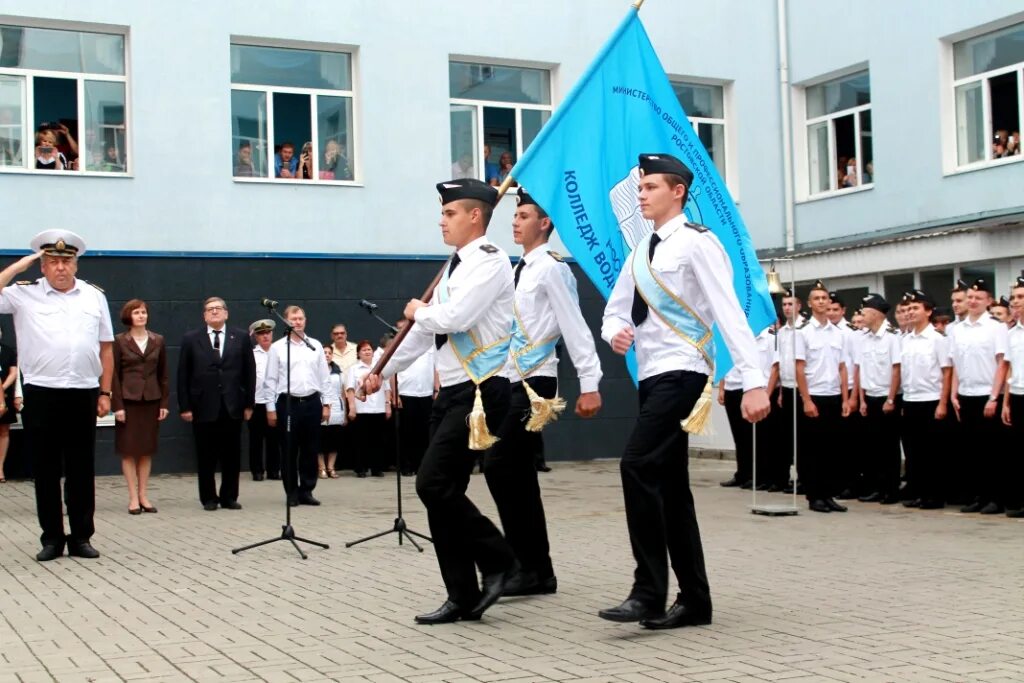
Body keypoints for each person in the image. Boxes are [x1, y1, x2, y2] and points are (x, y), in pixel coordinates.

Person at [599, 153, 770, 629]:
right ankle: (695, 601)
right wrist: (614, 333)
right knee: (671, 488)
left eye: (651, 186)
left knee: (635, 465)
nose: (642, 193)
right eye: (641, 186)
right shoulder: (640, 252)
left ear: (677, 191)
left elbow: (729, 310)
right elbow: (615, 309)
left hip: (685, 371)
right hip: (652, 375)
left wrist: (753, 380)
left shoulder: (698, 243)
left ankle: (648, 592)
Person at [363, 177, 517, 624]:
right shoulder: (454, 266)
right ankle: (462, 595)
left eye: (449, 213)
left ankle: (500, 558)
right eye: (442, 213)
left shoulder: (491, 262)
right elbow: (425, 335)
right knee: (442, 494)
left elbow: (454, 317)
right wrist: (380, 372)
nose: (441, 220)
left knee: (431, 483)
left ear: (475, 216)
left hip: (482, 391)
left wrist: (416, 310)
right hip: (451, 391)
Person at [487, 186, 604, 599]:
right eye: (514, 216)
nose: (515, 223)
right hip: (509, 380)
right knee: (514, 473)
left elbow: (574, 326)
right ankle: (534, 570)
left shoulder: (552, 269)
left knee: (501, 465)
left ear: (545, 222)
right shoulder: (514, 268)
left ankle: (527, 565)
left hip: (537, 384)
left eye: (523, 216)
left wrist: (590, 383)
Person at [0, 230, 113, 561]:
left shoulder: (94, 297)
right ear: (42, 267)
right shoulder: (24, 294)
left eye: (66, 261)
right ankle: (51, 538)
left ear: (76, 265)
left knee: (81, 468)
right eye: (52, 262)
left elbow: (106, 348)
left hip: (83, 390)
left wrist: (105, 391)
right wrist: (17, 268)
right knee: (46, 469)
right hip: (41, 391)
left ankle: (81, 537)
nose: (60, 268)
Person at [178, 297, 256, 511]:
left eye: (218, 309)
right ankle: (209, 498)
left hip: (232, 404)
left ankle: (229, 496)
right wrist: (185, 406)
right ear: (204, 315)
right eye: (209, 310)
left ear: (226, 313)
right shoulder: (191, 338)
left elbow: (250, 372)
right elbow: (183, 374)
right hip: (203, 405)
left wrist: (249, 404)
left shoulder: (240, 337)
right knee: (206, 455)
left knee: (232, 454)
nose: (214, 312)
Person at [949, 279, 1009, 514]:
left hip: (987, 395)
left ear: (988, 302)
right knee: (971, 451)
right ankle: (977, 496)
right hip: (966, 395)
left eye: (978, 298)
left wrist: (994, 397)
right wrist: (954, 393)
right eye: (970, 298)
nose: (973, 302)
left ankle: (995, 498)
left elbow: (1002, 363)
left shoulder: (996, 328)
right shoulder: (957, 329)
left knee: (991, 452)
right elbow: (955, 363)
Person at [262, 305, 331, 506]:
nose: (297, 322)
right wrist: (270, 408)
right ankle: (291, 493)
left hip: (311, 402)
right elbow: (270, 380)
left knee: (311, 449)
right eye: (293, 319)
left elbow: (324, 377)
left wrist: (327, 404)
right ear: (286, 321)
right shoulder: (278, 348)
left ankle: (306, 490)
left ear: (305, 320)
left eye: (301, 318)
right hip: (288, 404)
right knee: (290, 450)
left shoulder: (315, 345)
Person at [794, 281, 849, 513]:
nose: (821, 302)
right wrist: (806, 400)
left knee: (831, 450)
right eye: (816, 299)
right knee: (812, 451)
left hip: (833, 395)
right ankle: (814, 496)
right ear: (809, 303)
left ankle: (828, 495)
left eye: (824, 298)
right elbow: (799, 368)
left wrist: (846, 398)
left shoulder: (838, 334)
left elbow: (843, 367)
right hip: (814, 395)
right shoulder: (803, 333)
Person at [111, 299, 169, 515]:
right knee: (128, 450)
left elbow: (163, 374)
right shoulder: (119, 341)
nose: (141, 316)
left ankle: (144, 495)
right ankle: (133, 497)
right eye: (137, 312)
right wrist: (117, 406)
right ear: (129, 316)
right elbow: (114, 375)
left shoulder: (158, 340)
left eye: (144, 312)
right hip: (128, 401)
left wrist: (164, 402)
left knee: (146, 450)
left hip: (151, 400)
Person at [899, 290, 952, 509]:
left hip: (931, 399)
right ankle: (919, 492)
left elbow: (946, 371)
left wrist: (942, 403)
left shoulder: (937, 339)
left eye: (915, 308)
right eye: (908, 309)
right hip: (911, 400)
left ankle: (934, 495)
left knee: (933, 453)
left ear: (928, 312)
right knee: (914, 451)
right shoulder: (906, 340)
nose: (910, 312)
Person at [853, 294, 902, 505]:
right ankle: (875, 487)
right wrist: (862, 400)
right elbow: (860, 369)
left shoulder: (893, 337)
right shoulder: (863, 338)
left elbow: (896, 369)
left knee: (888, 447)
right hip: (870, 398)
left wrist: (891, 399)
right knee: (872, 446)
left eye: (864, 312)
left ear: (875, 313)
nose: (861, 316)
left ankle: (890, 489)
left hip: (887, 397)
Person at [767, 290, 804, 493]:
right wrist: (779, 392)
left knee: (804, 439)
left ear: (799, 306)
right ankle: (786, 478)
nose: (787, 307)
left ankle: (805, 478)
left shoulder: (804, 330)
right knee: (787, 438)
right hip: (788, 388)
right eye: (785, 304)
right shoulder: (781, 334)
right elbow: (779, 365)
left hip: (805, 390)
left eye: (791, 304)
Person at [394, 318, 436, 476]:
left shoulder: (428, 345)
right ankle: (406, 466)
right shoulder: (398, 346)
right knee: (406, 433)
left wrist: (436, 389)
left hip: (425, 393)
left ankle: (421, 466)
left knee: (424, 432)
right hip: (406, 393)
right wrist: (395, 393)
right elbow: (394, 372)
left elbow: (435, 368)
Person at [345, 340, 392, 477]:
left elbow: (387, 388)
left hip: (378, 409)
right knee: (361, 440)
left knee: (378, 440)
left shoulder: (380, 368)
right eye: (363, 350)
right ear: (358, 354)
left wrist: (388, 405)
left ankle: (377, 468)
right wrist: (352, 408)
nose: (367, 352)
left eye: (369, 349)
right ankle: (361, 468)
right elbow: (350, 389)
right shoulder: (354, 369)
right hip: (362, 410)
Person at [1001, 274, 1024, 518]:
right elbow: (1009, 368)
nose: (1014, 302)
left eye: (1020, 297)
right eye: (1014, 298)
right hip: (1017, 395)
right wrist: (1006, 402)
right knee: (1018, 452)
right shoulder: (1012, 333)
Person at [248, 319, 279, 480]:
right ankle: (257, 471)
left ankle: (274, 470)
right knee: (256, 439)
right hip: (257, 402)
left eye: (268, 333)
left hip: (275, 402)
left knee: (275, 438)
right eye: (261, 334)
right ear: (256, 337)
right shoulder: (251, 354)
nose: (265, 336)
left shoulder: (279, 352)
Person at [319, 345, 345, 478]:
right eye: (324, 353)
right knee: (320, 441)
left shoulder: (338, 372)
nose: (327, 355)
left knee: (334, 440)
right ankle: (321, 468)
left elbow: (342, 393)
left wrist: (344, 413)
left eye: (329, 353)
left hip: (336, 410)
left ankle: (331, 467)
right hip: (320, 408)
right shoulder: (316, 370)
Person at [0, 329, 17, 482]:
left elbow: (13, 372)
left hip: (4, 396)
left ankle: (0, 469)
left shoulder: (7, 350)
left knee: (4, 429)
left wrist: (2, 388)